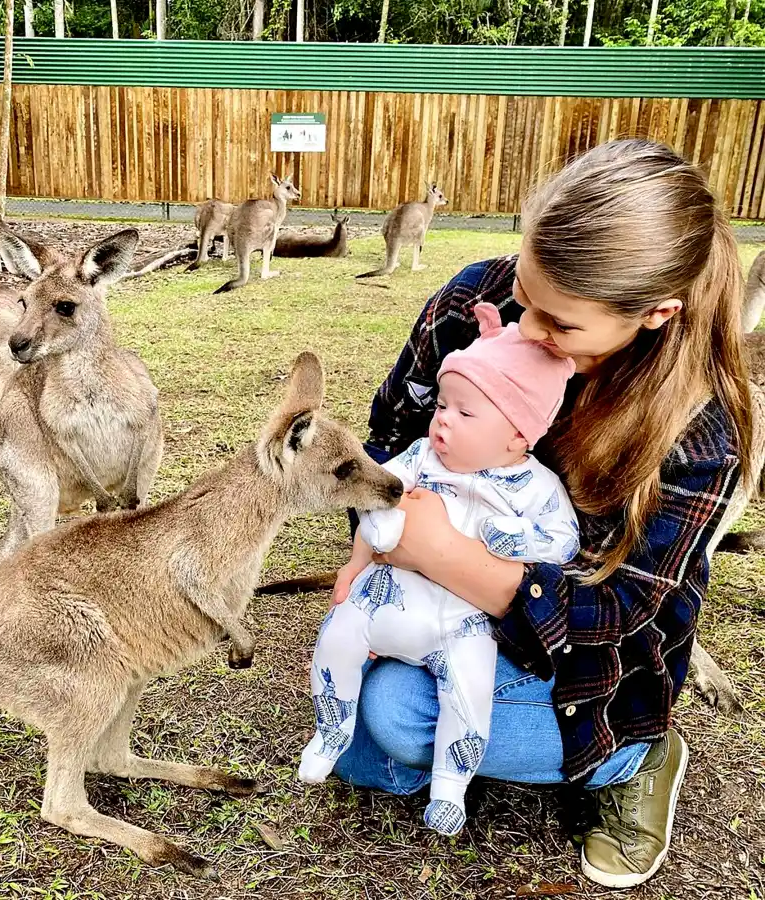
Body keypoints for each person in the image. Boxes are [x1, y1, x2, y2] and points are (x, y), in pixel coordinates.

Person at [328, 138, 753, 889]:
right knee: (360, 704)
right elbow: (392, 434)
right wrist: (374, 561)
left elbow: (619, 609)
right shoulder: (471, 303)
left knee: (393, 716)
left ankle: (637, 756)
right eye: (526, 295)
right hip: (443, 595)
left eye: (560, 325)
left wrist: (436, 554)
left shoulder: (698, 428)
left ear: (655, 313)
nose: (525, 331)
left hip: (583, 648)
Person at [299, 302, 580, 838]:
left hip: (464, 622)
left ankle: (450, 785)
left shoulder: (536, 487)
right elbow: (376, 498)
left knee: (467, 691)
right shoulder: (421, 456)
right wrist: (356, 566)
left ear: (519, 436)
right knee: (338, 635)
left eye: (466, 412)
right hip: (391, 597)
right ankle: (329, 731)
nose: (444, 419)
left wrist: (517, 538)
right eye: (443, 405)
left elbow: (563, 543)